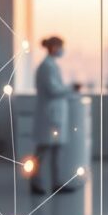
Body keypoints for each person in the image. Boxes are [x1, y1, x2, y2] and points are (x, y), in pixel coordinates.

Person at [31, 36, 75, 195]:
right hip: (50, 115)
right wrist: (70, 89)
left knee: (56, 150)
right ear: (54, 47)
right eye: (61, 46)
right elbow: (53, 90)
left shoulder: (51, 65)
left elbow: (56, 89)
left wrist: (68, 90)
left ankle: (57, 183)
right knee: (43, 150)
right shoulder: (47, 67)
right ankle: (35, 182)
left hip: (54, 115)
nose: (62, 50)